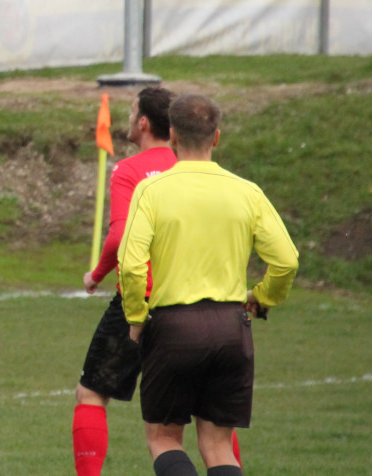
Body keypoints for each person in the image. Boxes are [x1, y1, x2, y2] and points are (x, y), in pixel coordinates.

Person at [120, 94, 298, 476]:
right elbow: (286, 261)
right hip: (232, 328)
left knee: (164, 439)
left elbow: (132, 265)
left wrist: (136, 317)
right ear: (216, 137)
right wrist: (262, 297)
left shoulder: (152, 192)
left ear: (171, 136)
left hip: (173, 329)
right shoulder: (246, 192)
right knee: (218, 446)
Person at [73, 87, 178, 476]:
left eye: (131, 111)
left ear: (144, 122)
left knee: (92, 393)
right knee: (207, 416)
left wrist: (96, 274)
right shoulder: (190, 167)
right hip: (192, 302)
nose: (127, 119)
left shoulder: (129, 169)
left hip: (140, 299)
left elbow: (119, 238)